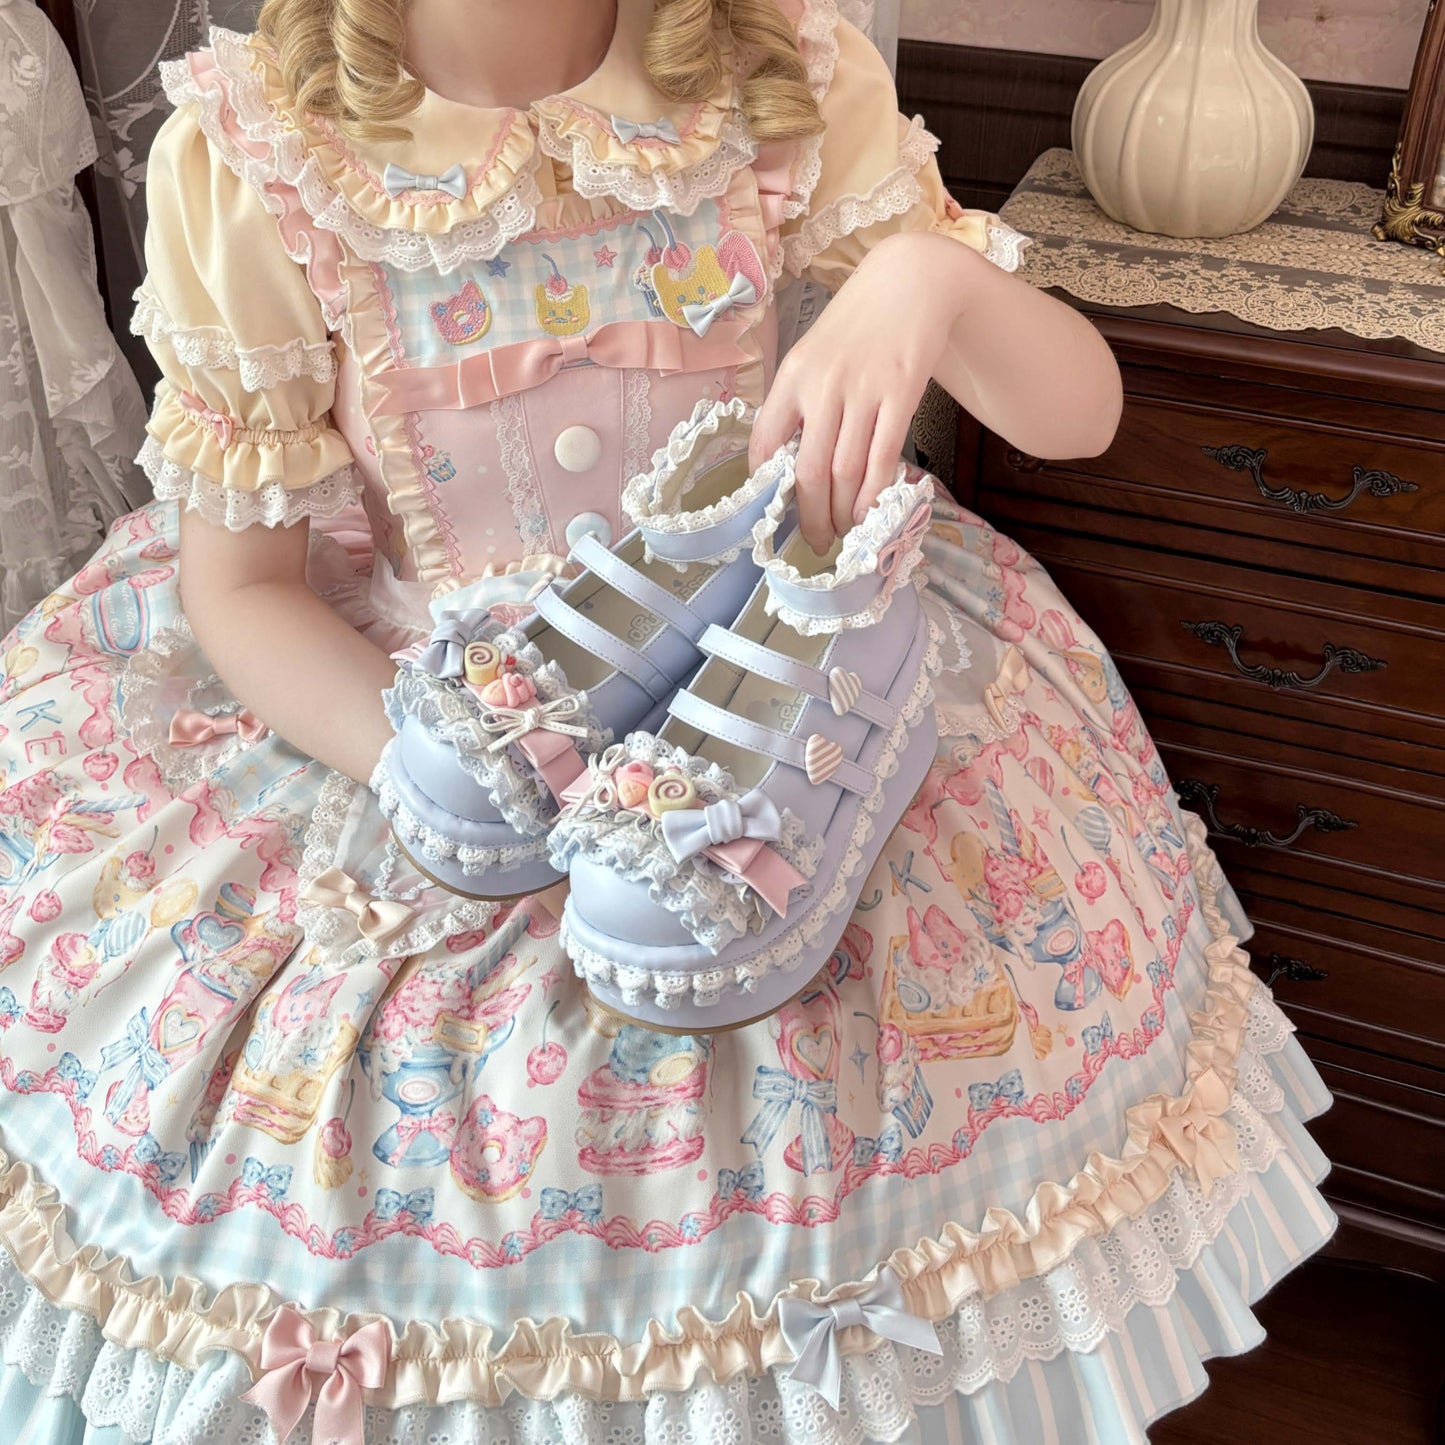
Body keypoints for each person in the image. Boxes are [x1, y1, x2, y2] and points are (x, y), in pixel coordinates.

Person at [0, 1, 1334, 1440]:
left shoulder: (777, 73)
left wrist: (925, 280)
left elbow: (1077, 416)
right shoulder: (257, 144)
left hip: (772, 679)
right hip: (414, 719)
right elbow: (243, 585)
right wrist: (457, 778)